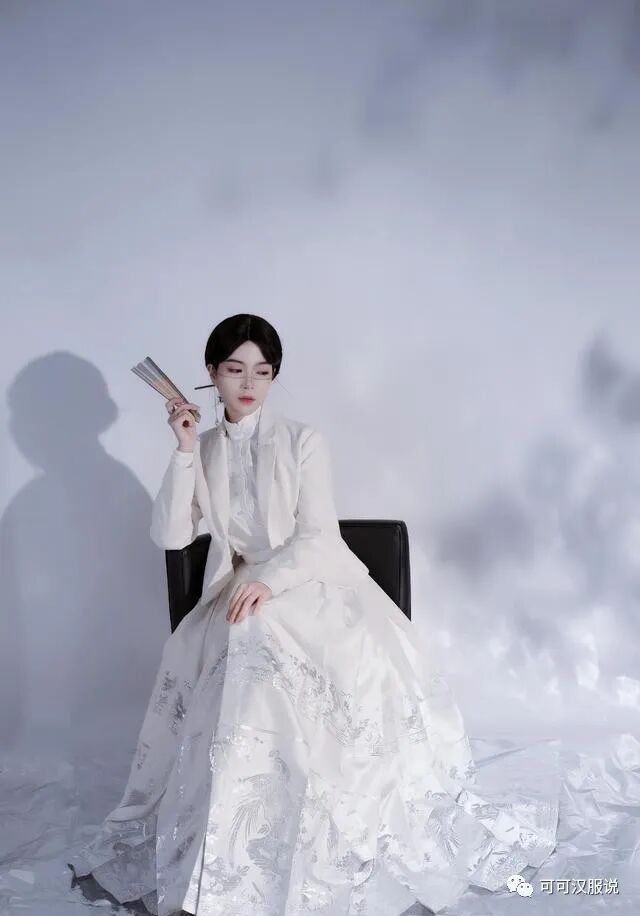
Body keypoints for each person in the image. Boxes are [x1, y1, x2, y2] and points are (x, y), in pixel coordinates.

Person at [67, 314, 559, 916]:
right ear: (212, 374)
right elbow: (171, 536)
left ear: (274, 376)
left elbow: (319, 534)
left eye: (262, 371)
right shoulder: (206, 448)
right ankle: (238, 841)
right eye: (235, 369)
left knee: (280, 640)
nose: (249, 383)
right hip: (241, 586)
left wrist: (270, 581)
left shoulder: (303, 440)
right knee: (246, 639)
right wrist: (185, 449)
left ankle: (315, 829)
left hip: (311, 577)